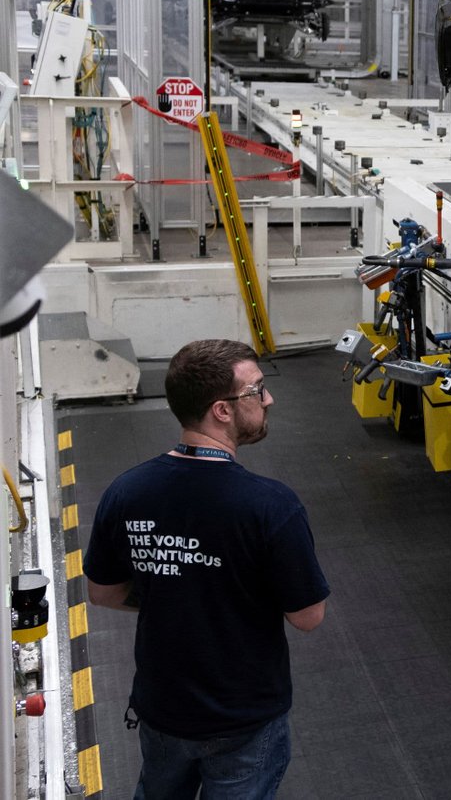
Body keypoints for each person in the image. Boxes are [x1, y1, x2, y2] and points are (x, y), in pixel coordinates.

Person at [84, 339, 329, 799]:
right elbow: (308, 616)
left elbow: (103, 593)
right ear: (222, 410)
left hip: (163, 709)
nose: (269, 398)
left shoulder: (127, 491)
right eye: (257, 390)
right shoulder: (272, 506)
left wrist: (175, 588)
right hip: (243, 720)